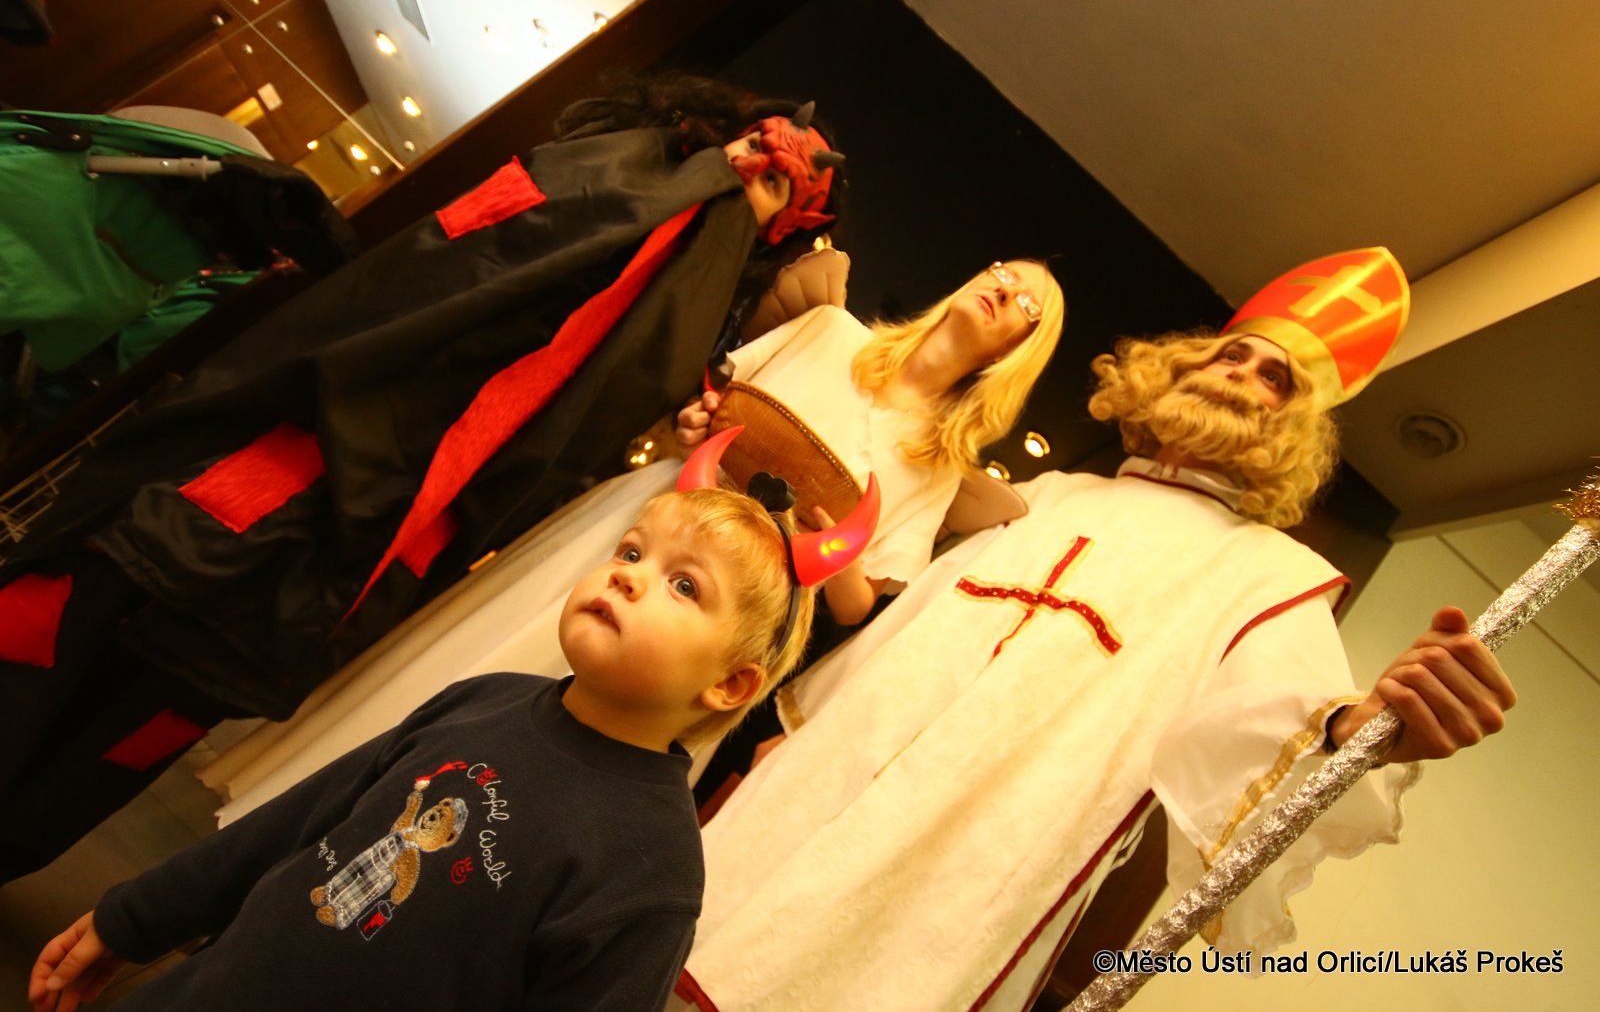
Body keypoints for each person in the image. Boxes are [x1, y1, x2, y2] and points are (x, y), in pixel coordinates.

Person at [0, 74, 844, 880]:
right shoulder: (623, 180)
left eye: (778, 181)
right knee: (69, 617)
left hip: (350, 541)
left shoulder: (687, 291)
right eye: (755, 146)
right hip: (279, 469)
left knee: (140, 712)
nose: (751, 168)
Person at [673, 248, 1519, 1012]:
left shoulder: (1271, 575)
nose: (1242, 374)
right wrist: (804, 725)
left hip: (975, 853)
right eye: (1232, 353)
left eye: (1275, 379)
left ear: (1290, 430)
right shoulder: (1048, 496)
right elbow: (912, 621)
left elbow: (1285, 723)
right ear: (1176, 370)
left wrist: (1363, 730)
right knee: (663, 945)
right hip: (824, 775)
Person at [24, 424, 877, 1012]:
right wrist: (133, 919)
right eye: (632, 550)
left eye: (684, 585)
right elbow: (296, 820)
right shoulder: (487, 698)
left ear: (731, 683)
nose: (628, 574)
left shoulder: (649, 875)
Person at [203, 257, 1064, 820]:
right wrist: (694, 422)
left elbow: (852, 603)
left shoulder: (938, 466)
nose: (1000, 286)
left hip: (723, 618)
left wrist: (828, 537)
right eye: (1000, 269)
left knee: (555, 768)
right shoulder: (829, 332)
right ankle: (316, 810)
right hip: (643, 528)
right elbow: (705, 410)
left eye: (1024, 298)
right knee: (496, 652)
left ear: (1023, 345)